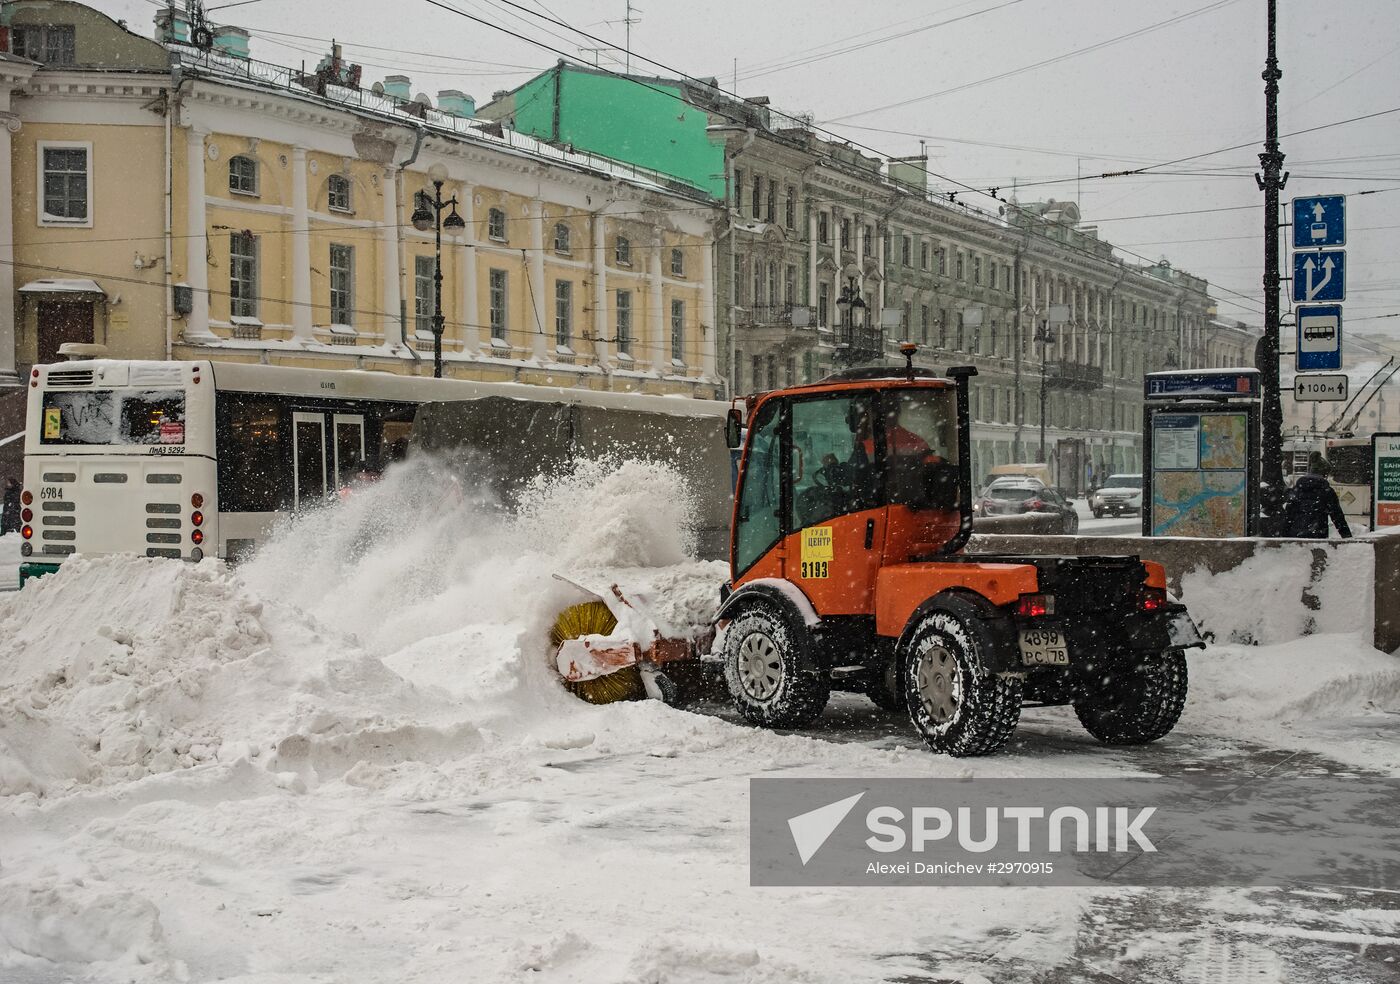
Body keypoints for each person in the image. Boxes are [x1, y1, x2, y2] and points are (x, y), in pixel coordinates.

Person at [1284, 452, 1352, 539]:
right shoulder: (1327, 492)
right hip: (1318, 537)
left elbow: (1288, 516)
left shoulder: (1297, 490)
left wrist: (1284, 537)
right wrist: (1347, 537)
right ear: (1324, 474)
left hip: (1296, 538)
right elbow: (1338, 517)